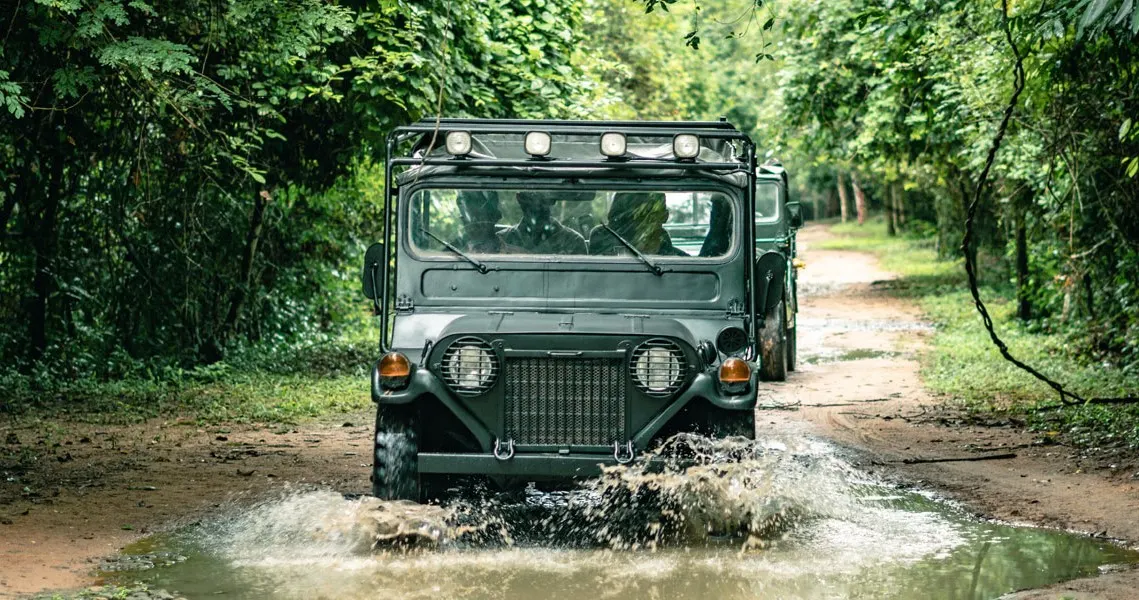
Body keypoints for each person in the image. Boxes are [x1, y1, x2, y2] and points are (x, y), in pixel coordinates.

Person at [589, 192, 688, 257]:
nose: (644, 223)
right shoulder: (604, 254)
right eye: (638, 216)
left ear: (665, 216)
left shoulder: (682, 263)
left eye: (651, 215)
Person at [497, 191, 587, 254]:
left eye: (543, 197)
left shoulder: (573, 241)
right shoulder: (502, 240)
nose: (537, 203)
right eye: (531, 196)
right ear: (519, 197)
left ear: (552, 200)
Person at [451, 190, 515, 254]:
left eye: (480, 217)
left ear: (494, 217)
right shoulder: (450, 255)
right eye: (468, 219)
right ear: (463, 221)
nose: (474, 224)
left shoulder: (517, 255)